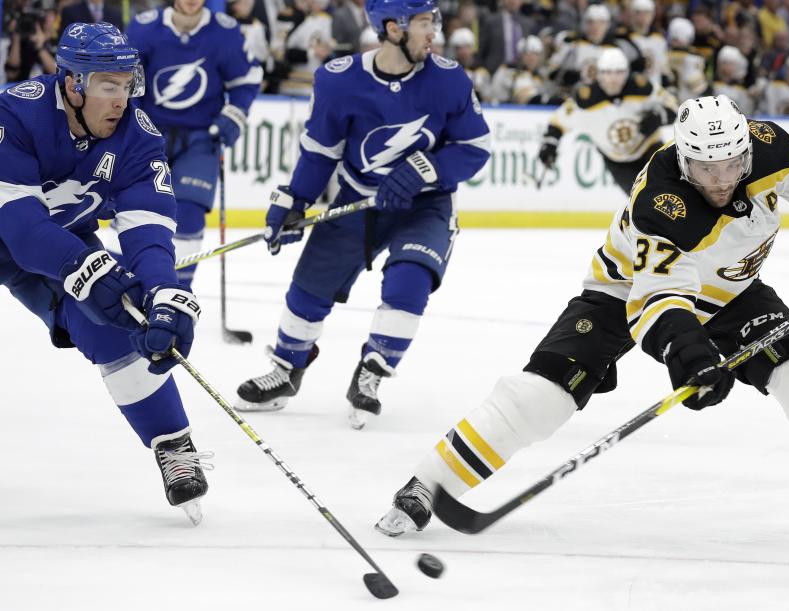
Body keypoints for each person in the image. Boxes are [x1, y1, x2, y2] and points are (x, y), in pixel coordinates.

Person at [375, 95, 789, 557]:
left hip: (734, 295)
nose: (720, 180)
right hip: (623, 293)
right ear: (685, 160)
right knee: (542, 396)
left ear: (745, 151)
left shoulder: (770, 150)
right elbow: (656, 302)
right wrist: (690, 355)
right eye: (706, 169)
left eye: (730, 166)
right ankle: (429, 483)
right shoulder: (660, 202)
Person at [234, 0, 491, 430]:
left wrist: (427, 169)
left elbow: (475, 147)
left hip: (425, 205)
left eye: (434, 23)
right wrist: (295, 199)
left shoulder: (448, 79)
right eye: (424, 24)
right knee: (308, 287)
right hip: (358, 198)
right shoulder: (340, 81)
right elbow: (320, 153)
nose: (434, 35)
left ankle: (372, 371)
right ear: (392, 29)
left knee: (410, 280)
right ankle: (286, 368)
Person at [0, 23, 209, 522]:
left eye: (128, 83)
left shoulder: (139, 136)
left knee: (120, 320)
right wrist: (84, 266)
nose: (122, 99)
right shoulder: (15, 112)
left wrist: (164, 293)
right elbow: (22, 228)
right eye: (107, 85)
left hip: (60, 243)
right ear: (72, 84)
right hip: (31, 237)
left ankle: (172, 444)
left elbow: (147, 232)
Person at [125, 0, 263, 288]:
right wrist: (132, 119)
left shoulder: (223, 32)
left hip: (202, 138)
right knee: (135, 210)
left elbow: (247, 79)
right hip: (149, 137)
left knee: (189, 214)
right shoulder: (144, 28)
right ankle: (126, 288)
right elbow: (127, 81)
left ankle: (177, 293)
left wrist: (234, 115)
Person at [538, 47, 677, 195]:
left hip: (650, 149)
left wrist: (659, 116)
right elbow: (558, 121)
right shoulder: (586, 101)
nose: (613, 78)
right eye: (608, 72)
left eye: (619, 72)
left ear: (627, 72)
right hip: (618, 162)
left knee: (675, 191)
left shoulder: (641, 88)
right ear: (599, 74)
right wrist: (550, 144)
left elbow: (673, 105)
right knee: (644, 201)